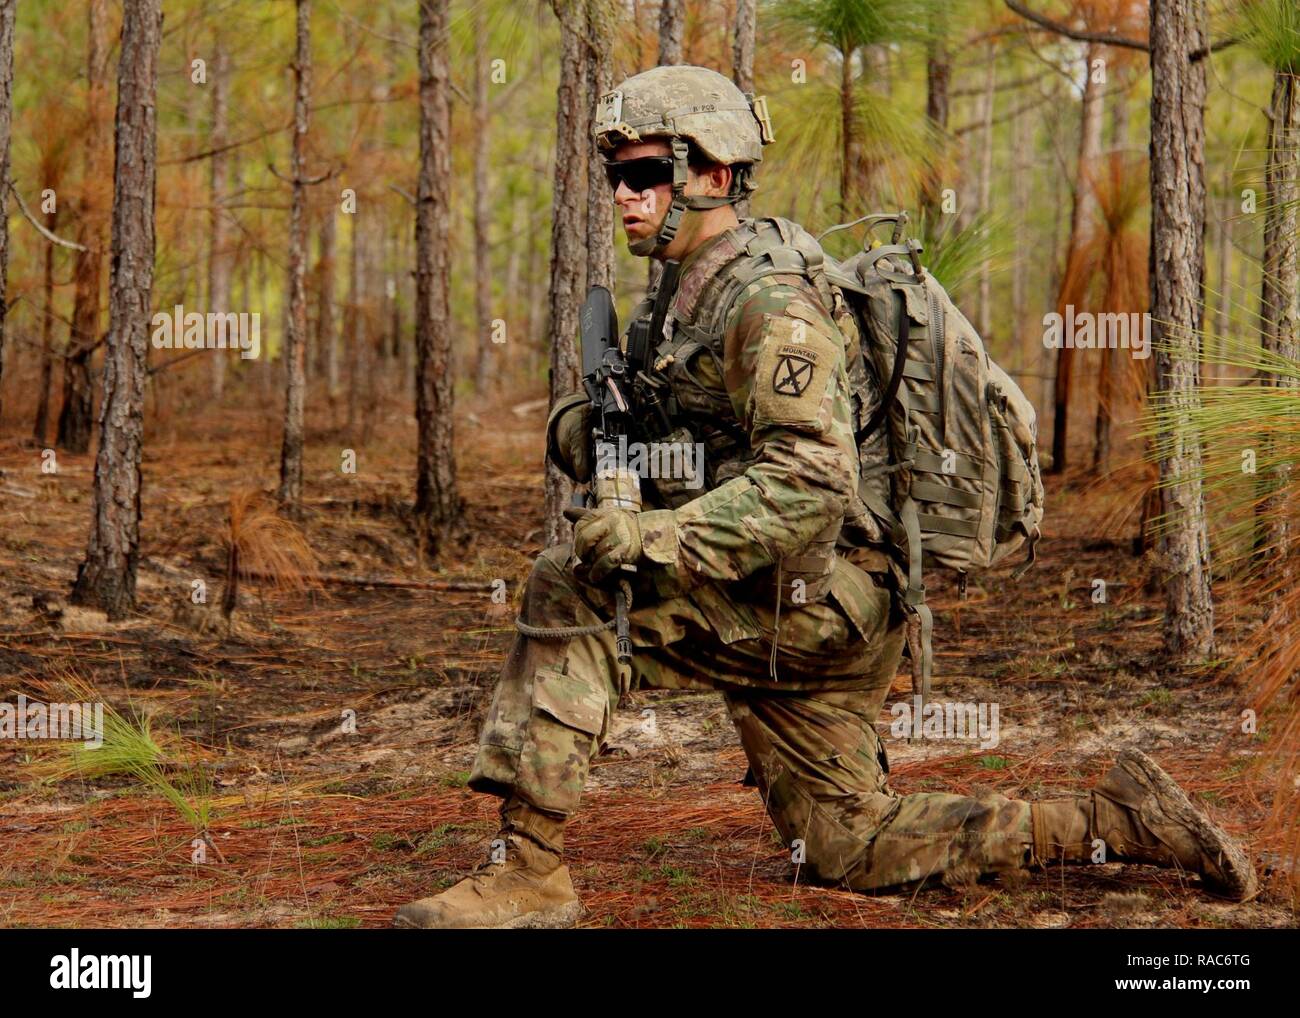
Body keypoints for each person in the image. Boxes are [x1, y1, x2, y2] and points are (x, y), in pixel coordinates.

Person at [393, 65, 1256, 929]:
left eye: (648, 173)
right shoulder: (687, 287)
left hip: (823, 596)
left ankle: (529, 872)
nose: (625, 195)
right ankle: (1117, 824)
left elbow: (807, 483)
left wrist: (652, 540)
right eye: (617, 175)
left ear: (714, 175)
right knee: (850, 843)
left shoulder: (770, 306)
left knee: (572, 584)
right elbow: (701, 445)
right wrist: (590, 429)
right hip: (796, 589)